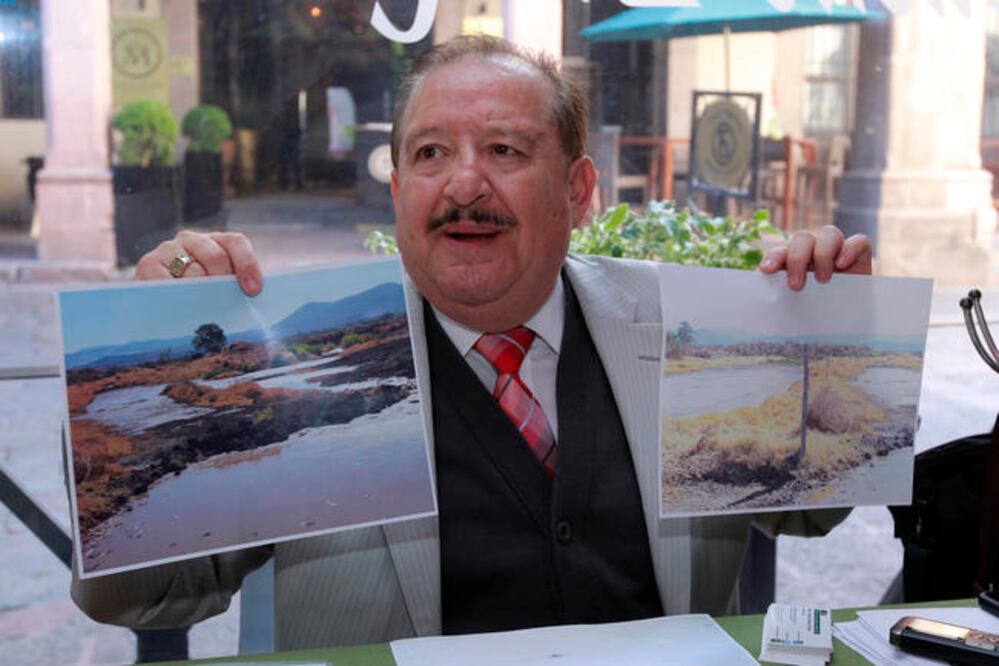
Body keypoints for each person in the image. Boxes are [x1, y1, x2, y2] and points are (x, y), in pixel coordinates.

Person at [73, 36, 872, 649]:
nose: (463, 185)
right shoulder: (285, 353)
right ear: (397, 193)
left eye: (504, 150)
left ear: (577, 190)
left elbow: (816, 514)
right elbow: (134, 598)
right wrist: (156, 353)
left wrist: (827, 329)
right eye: (429, 154)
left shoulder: (682, 324)